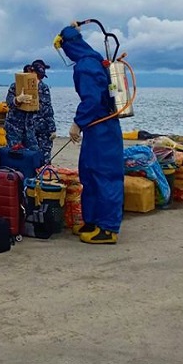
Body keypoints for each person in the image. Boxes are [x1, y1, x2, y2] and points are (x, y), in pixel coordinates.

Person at [56, 23, 123, 244]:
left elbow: (92, 100)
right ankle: (92, 221)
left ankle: (108, 228)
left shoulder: (85, 65)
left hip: (102, 127)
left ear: (68, 47)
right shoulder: (93, 59)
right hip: (97, 128)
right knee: (89, 173)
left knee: (104, 175)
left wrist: (77, 123)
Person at [4, 64, 39, 150]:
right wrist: (18, 100)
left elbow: (44, 108)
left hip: (29, 128)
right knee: (14, 153)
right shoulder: (14, 86)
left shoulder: (37, 87)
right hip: (14, 127)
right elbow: (9, 102)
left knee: (33, 152)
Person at [31, 59, 56, 163]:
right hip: (42, 127)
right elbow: (47, 109)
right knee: (44, 155)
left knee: (32, 154)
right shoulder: (43, 87)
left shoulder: (24, 86)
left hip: (29, 127)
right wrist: (52, 129)